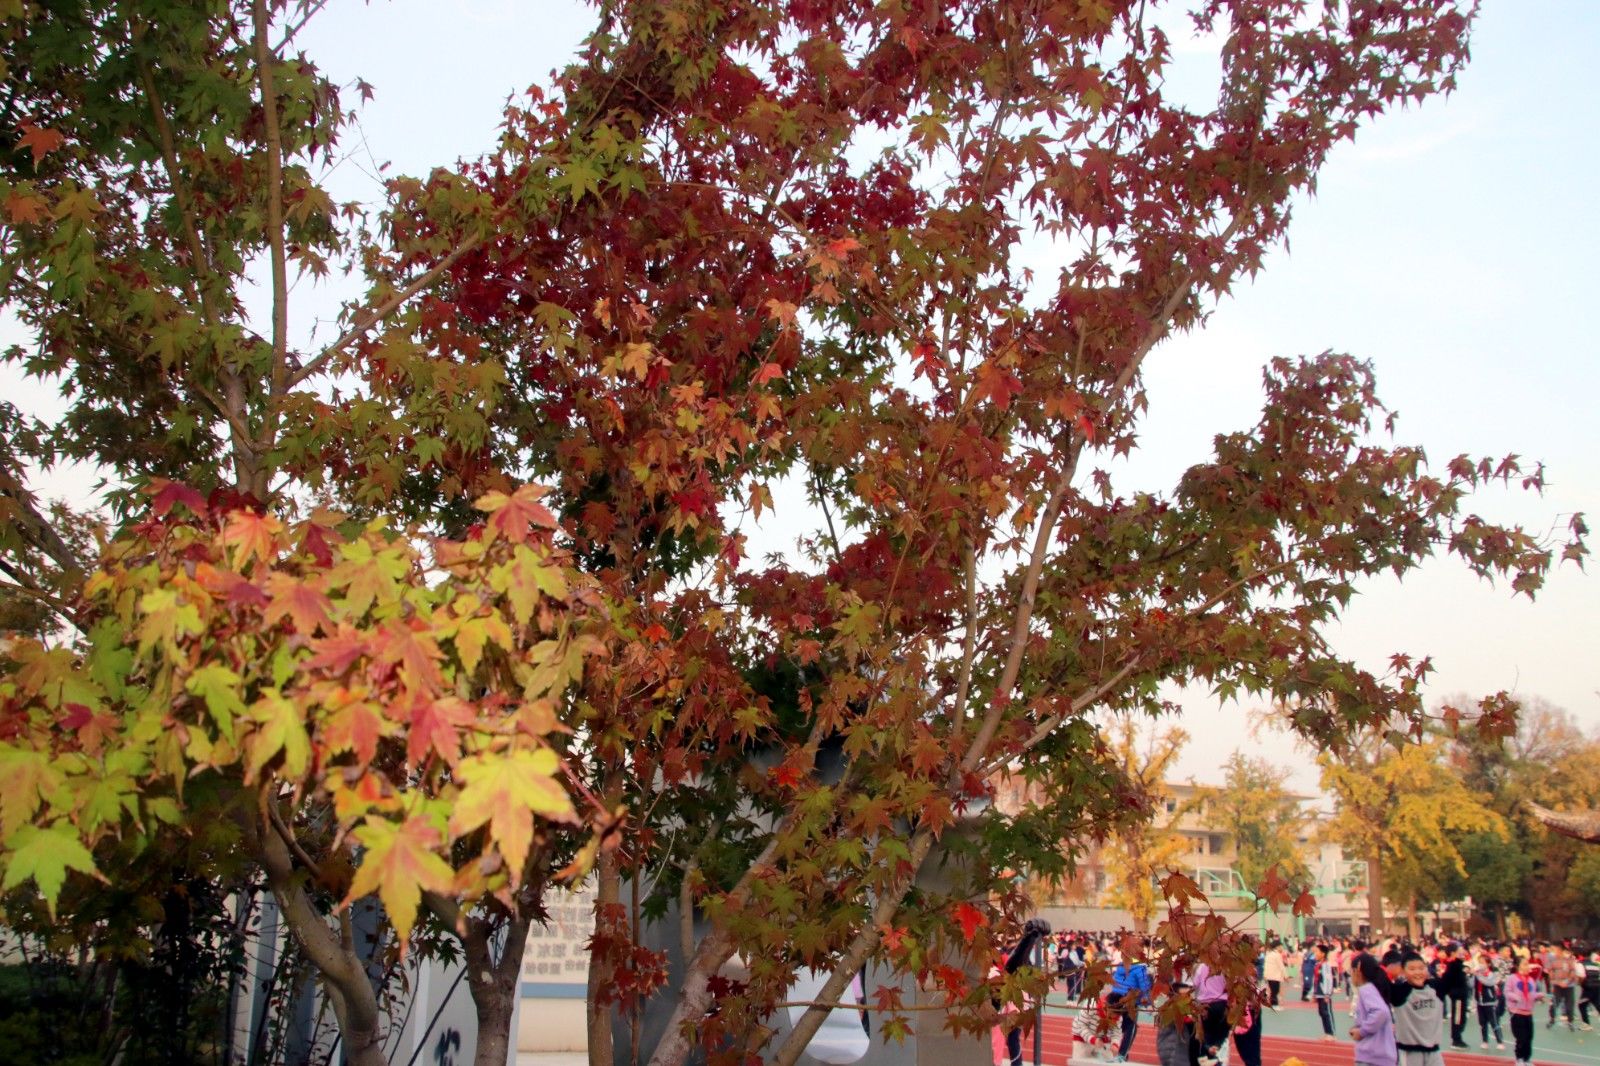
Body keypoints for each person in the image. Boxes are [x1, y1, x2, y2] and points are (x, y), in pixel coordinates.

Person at [992, 917, 1051, 1066]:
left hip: (1014, 1008)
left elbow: (1012, 967)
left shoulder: (996, 973)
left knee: (1013, 1041)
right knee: (1013, 1041)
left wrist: (1028, 939)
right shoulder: (980, 977)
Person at [1388, 951, 1446, 1066]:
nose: (1418, 972)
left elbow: (1453, 976)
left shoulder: (1435, 987)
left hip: (1434, 1052)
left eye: (1421, 968)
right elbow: (1379, 980)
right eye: (1412, 969)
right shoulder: (1399, 992)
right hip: (1409, 1052)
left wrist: (1457, 959)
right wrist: (1390, 972)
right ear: (1403, 971)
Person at [1351, 954, 1398, 1066]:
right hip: (1382, 1055)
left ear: (1358, 969)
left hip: (1372, 1056)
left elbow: (1381, 1012)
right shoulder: (1375, 989)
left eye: (1351, 971)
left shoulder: (1367, 989)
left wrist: (1362, 1031)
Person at [1111, 951, 1153, 1062]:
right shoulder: (1140, 969)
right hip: (1129, 1000)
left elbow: (1115, 980)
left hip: (1115, 997)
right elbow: (1144, 986)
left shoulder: (1120, 965)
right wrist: (1148, 1004)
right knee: (1131, 1028)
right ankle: (1122, 1054)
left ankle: (1112, 1049)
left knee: (1116, 1025)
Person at [1505, 956, 1545, 1066]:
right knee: (1521, 1037)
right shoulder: (1512, 978)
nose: (1527, 966)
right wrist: (1515, 997)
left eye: (1527, 964)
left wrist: (1539, 996)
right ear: (1518, 966)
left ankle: (1527, 1059)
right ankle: (1519, 1059)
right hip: (1517, 1012)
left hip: (1528, 1013)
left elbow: (1532, 994)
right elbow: (1507, 992)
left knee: (1529, 1037)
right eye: (1524, 964)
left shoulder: (1531, 980)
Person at [1190, 962, 1231, 1066]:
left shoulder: (1202, 967)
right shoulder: (1224, 966)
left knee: (1206, 1036)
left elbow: (1195, 984)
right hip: (1222, 1005)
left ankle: (1209, 1052)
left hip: (1206, 1005)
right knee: (1221, 1036)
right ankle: (1217, 1051)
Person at [1157, 983, 1199, 1066]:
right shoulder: (1170, 1010)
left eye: (1189, 995)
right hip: (1174, 1053)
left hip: (1184, 1054)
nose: (1189, 998)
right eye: (1184, 995)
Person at [1474, 953, 1506, 1049]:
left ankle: (1500, 1041)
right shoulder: (1477, 974)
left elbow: (1488, 982)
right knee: (1482, 1023)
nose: (1480, 965)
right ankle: (1485, 1041)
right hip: (1480, 1002)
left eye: (1482, 962)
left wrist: (1477, 975)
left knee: (1494, 1022)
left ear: (1488, 964)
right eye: (1479, 962)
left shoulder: (1492, 974)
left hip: (1490, 1002)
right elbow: (1472, 985)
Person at [1547, 944, 1579, 1031]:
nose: (1554, 952)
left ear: (1560, 950)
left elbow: (1573, 971)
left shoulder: (1569, 960)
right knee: (1554, 1003)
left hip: (1569, 985)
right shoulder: (1552, 960)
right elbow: (1550, 973)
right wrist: (1556, 982)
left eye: (1555, 950)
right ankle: (1552, 1019)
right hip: (1557, 985)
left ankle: (1570, 1021)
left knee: (1569, 1004)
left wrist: (1567, 982)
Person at [1313, 944, 1339, 1042]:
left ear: (1323, 954)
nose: (1315, 954)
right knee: (1321, 1013)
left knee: (1326, 1012)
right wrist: (1314, 994)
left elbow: (1328, 980)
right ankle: (1327, 1032)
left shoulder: (1326, 965)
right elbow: (1316, 980)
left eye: (1317, 952)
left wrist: (1327, 994)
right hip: (1319, 992)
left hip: (1325, 993)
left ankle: (1331, 1033)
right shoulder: (1318, 965)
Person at [1578, 947, 1600, 1031]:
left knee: (1582, 1005)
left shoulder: (1581, 964)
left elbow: (1582, 976)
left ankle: (1586, 1024)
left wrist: (1580, 983)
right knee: (1597, 1004)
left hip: (1588, 988)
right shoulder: (1595, 964)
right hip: (1596, 986)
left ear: (1581, 955)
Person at [1264, 943, 1287, 1007]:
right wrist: (1285, 976)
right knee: (1275, 991)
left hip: (1269, 976)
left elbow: (1266, 966)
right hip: (1275, 976)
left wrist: (1265, 975)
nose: (1282, 948)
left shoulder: (1268, 954)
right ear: (1277, 947)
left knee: (1273, 991)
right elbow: (1281, 966)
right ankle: (1274, 1005)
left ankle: (1273, 1004)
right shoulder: (1277, 955)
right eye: (1281, 947)